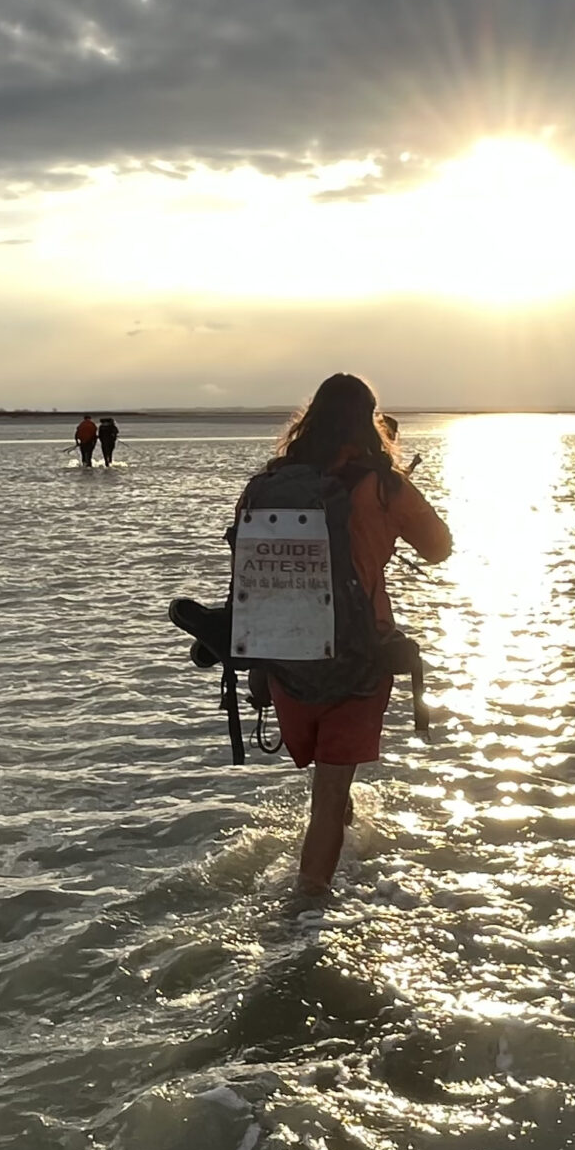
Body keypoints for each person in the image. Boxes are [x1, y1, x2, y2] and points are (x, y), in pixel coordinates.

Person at [254, 374, 451, 893]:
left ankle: (338, 848)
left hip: (286, 657)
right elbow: (439, 547)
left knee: (328, 779)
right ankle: (305, 912)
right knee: (331, 790)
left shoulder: (274, 481)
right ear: (367, 421)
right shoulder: (384, 484)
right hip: (360, 657)